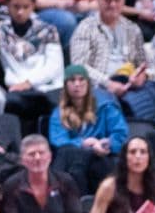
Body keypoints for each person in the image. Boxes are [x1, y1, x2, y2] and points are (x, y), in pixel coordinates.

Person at [70, 0, 155, 121]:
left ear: (123, 2)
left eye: (117, 1)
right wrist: (108, 83)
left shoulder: (132, 28)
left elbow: (143, 63)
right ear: (98, 1)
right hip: (99, 84)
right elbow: (79, 66)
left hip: (128, 82)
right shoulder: (85, 28)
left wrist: (142, 76)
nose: (112, 5)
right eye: (107, 1)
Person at [0, 0, 64, 129]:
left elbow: (54, 66)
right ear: (7, 6)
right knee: (6, 101)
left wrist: (29, 83)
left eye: (25, 7)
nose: (20, 12)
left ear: (33, 6)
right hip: (16, 88)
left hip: (47, 86)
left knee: (57, 102)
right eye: (16, 7)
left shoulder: (48, 30)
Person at [0, 135, 82, 213]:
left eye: (41, 153)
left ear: (50, 156)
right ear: (22, 160)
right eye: (32, 154)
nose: (37, 157)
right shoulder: (12, 185)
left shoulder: (66, 181)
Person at [48, 64, 127, 193]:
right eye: (72, 80)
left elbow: (120, 134)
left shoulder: (105, 106)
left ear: (88, 83)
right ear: (66, 85)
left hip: (102, 158)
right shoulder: (58, 112)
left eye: (81, 79)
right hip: (72, 160)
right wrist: (83, 143)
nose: (77, 84)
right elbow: (58, 139)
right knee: (71, 156)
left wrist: (106, 144)